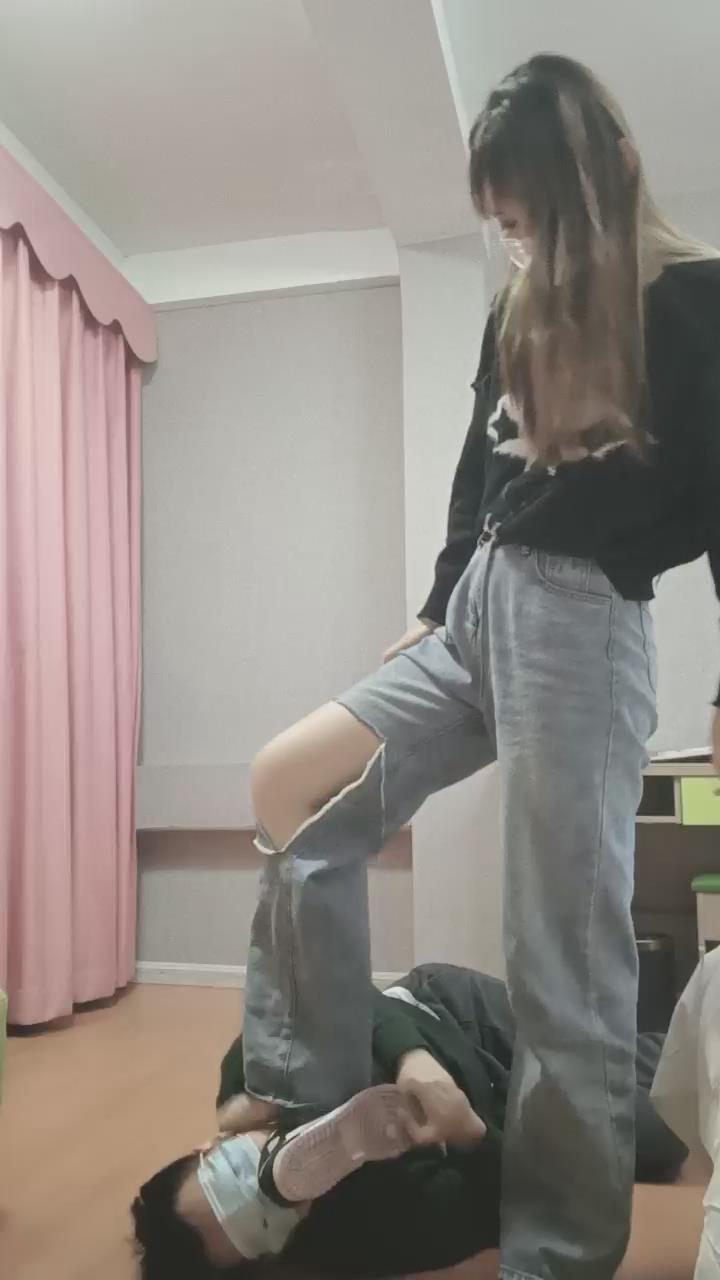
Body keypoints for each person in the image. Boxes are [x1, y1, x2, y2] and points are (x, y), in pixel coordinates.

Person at [238, 52, 720, 1280]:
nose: (520, 246)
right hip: (475, 616)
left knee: (562, 960)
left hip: (581, 623)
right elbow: (477, 469)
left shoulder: (698, 300)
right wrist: (437, 599)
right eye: (503, 224)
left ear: (604, 180)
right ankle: (317, 1106)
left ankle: (557, 1252)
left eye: (532, 219)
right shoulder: (516, 308)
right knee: (291, 788)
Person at [132, 964, 688, 1278]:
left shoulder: (256, 1074)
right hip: (498, 1113)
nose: (270, 1184)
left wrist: (411, 1057)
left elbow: (346, 991)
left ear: (212, 1143)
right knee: (665, 1134)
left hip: (454, 1019)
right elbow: (518, 1207)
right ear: (276, 1254)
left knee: (626, 1060)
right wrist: (472, 1136)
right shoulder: (372, 1238)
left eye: (233, 1172)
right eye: (261, 1221)